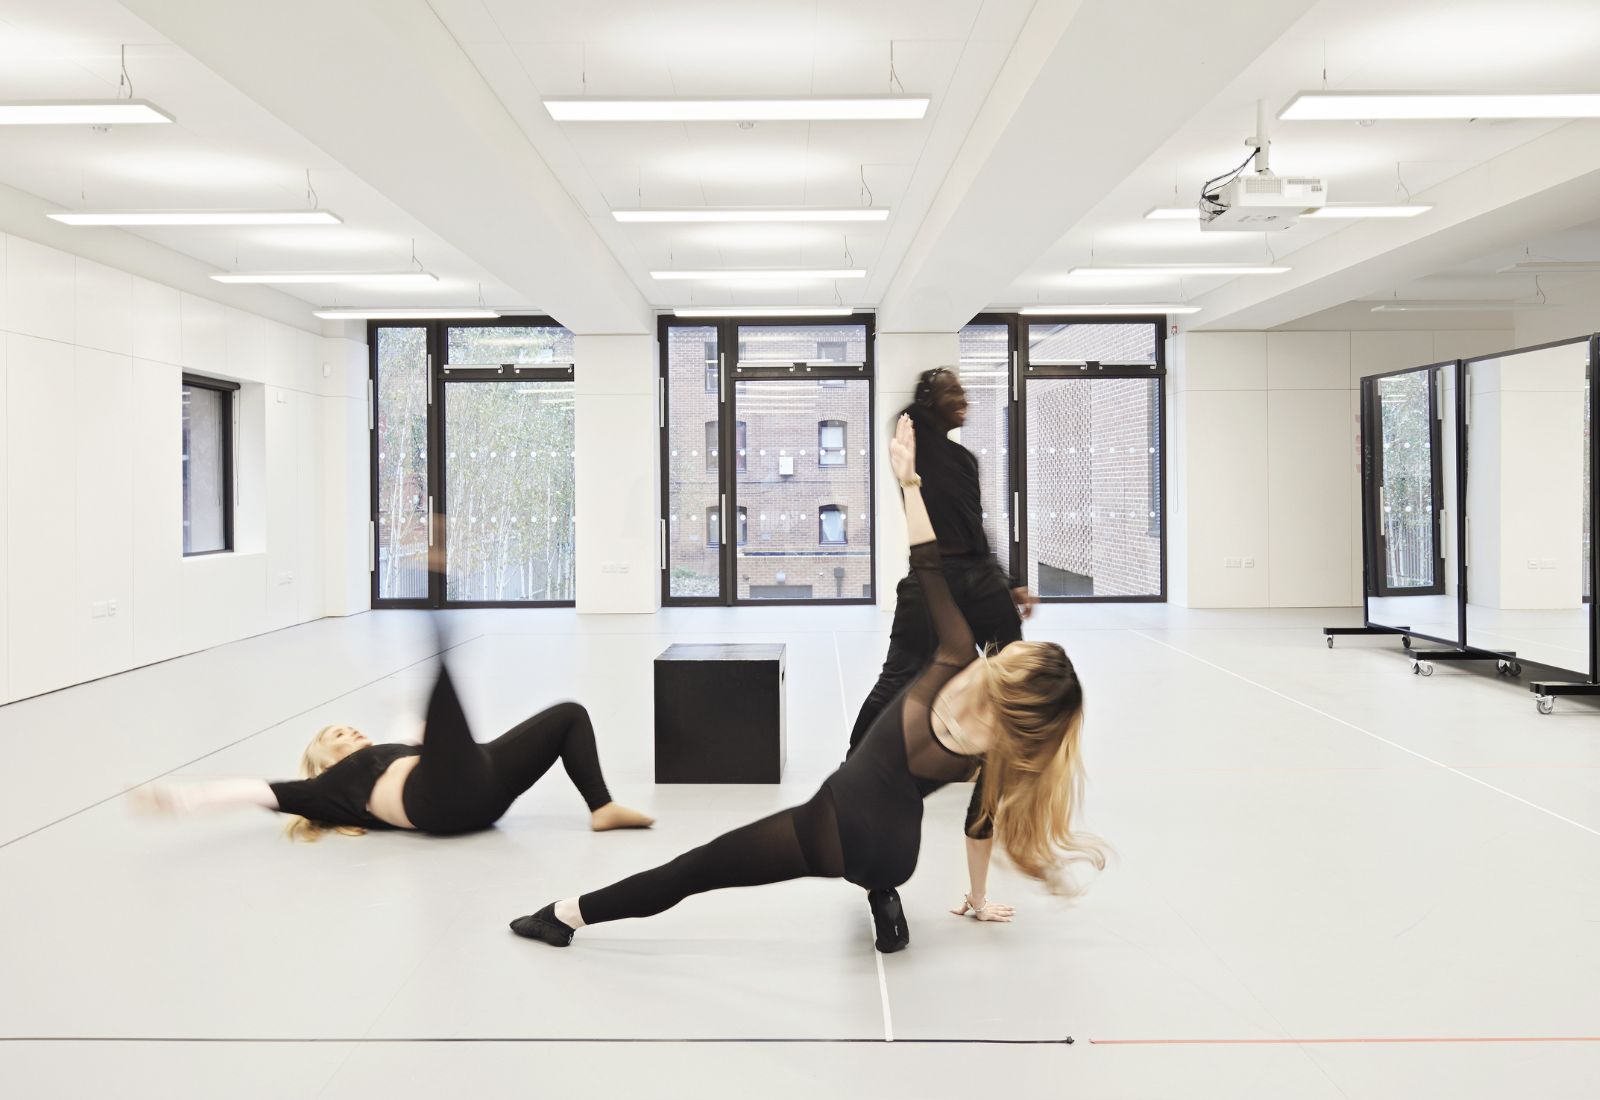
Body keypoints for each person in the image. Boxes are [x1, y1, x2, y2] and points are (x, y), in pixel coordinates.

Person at [510, 414, 1102, 952]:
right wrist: (975, 900)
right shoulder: (995, 753)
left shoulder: (953, 654)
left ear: (1009, 668)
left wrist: (909, 482)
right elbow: (980, 825)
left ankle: (563, 915)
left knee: (694, 870)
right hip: (900, 855)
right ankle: (882, 897)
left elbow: (927, 559)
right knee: (880, 856)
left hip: (831, 829)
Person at [849, 366, 1038, 933]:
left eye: (965, 391)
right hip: (931, 578)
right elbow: (904, 443)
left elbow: (975, 530)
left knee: (1014, 688)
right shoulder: (912, 438)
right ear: (930, 401)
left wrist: (1007, 583)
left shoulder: (964, 460)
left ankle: (990, 789)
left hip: (979, 579)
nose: (966, 400)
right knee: (898, 677)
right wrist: (907, 442)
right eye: (954, 393)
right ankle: (855, 766)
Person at [134, 652, 654, 840]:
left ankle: (601, 807)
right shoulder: (324, 791)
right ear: (325, 761)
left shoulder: (389, 750)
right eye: (337, 736)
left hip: (484, 785)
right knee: (441, 716)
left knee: (567, 715)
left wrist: (403, 709)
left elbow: (410, 727)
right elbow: (253, 790)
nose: (351, 734)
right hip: (441, 801)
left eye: (349, 728)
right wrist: (181, 798)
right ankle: (437, 625)